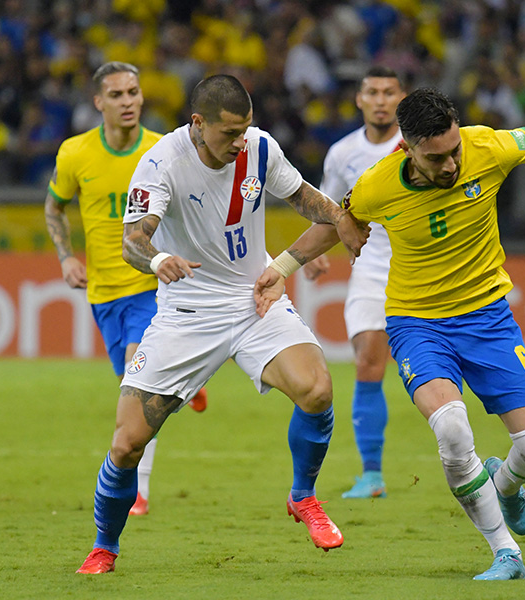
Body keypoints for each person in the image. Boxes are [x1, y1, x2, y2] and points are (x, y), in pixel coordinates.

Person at [255, 79, 525, 580]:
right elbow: (336, 220)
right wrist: (280, 268)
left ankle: (508, 483)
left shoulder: (487, 148)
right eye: (437, 159)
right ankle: (506, 554)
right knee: (451, 430)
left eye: (454, 151)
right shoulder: (377, 184)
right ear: (407, 148)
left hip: (489, 320)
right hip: (418, 324)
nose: (451, 165)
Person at [75, 74, 368, 574]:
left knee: (317, 390)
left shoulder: (259, 148)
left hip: (253, 300)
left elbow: (303, 197)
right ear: (198, 123)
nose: (240, 142)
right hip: (187, 313)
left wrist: (340, 218)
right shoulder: (161, 162)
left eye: (246, 129)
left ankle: (303, 497)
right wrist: (159, 258)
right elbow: (131, 242)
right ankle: (105, 546)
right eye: (229, 133)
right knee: (127, 444)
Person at [45, 61, 208, 519]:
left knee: (136, 389)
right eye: (116, 95)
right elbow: (54, 208)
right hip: (105, 294)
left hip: (154, 287)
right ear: (99, 102)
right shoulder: (75, 154)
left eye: (133, 92)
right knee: (138, 384)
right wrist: (65, 256)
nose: (128, 101)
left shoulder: (163, 151)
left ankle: (138, 490)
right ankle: (190, 382)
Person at [305, 66, 405, 499]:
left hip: (420, 265)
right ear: (360, 100)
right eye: (373, 92)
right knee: (367, 359)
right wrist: (314, 253)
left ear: (401, 98)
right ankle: (372, 474)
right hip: (370, 267)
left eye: (389, 91)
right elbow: (328, 209)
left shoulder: (417, 146)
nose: (381, 99)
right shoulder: (342, 153)